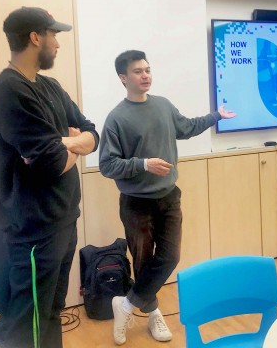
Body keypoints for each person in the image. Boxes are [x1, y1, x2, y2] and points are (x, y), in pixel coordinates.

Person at [99, 50, 236, 345]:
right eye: (138, 71)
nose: (145, 75)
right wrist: (143, 164)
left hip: (169, 197)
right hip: (137, 203)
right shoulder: (116, 118)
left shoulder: (163, 106)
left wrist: (215, 116)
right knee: (143, 263)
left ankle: (125, 306)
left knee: (170, 256)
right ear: (123, 78)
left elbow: (186, 127)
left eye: (148, 69)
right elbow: (107, 165)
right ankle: (152, 313)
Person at [0, 6, 99, 348]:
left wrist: (68, 142)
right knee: (28, 321)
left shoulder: (49, 86)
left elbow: (92, 132)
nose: (58, 45)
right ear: (36, 37)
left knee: (51, 310)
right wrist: (68, 146)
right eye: (54, 36)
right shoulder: (10, 90)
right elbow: (49, 164)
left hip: (63, 220)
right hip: (35, 230)